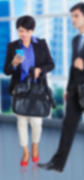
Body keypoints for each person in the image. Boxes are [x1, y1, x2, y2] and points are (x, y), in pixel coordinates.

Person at [39, 2, 84, 172]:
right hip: (75, 91)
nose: (73, 19)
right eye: (72, 16)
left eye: (76, 16)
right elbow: (74, 67)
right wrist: (68, 88)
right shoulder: (75, 40)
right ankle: (58, 163)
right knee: (68, 126)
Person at [3, 15, 54, 167]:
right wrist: (14, 63)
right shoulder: (13, 46)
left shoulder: (41, 44)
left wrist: (40, 69)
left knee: (37, 122)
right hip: (20, 89)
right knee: (21, 122)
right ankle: (25, 151)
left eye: (26, 31)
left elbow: (51, 64)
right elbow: (6, 71)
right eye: (20, 31)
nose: (23, 34)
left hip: (37, 88)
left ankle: (35, 146)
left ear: (32, 31)